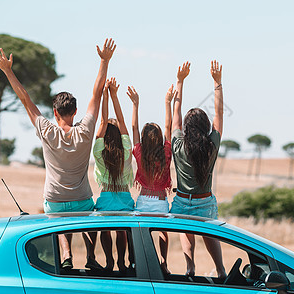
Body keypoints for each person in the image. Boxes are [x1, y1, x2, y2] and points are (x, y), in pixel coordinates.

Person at [0, 39, 116, 271]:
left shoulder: (46, 130)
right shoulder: (85, 130)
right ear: (75, 111)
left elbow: (25, 98)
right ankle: (90, 256)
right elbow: (97, 93)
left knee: (59, 221)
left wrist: (8, 71)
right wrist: (104, 61)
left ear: (55, 112)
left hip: (55, 201)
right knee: (89, 216)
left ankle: (66, 254)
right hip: (82, 200)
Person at [170, 60, 226, 279]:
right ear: (205, 126)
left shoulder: (177, 143)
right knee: (210, 234)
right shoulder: (211, 144)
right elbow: (219, 114)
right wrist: (217, 83)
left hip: (182, 200)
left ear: (186, 126)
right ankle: (220, 270)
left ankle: (190, 267)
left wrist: (179, 81)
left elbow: (176, 109)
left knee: (186, 231)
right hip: (205, 200)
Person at [127, 84, 177, 274]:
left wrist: (135, 105)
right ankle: (163, 263)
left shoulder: (139, 152)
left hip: (143, 201)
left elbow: (134, 127)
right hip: (161, 202)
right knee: (163, 233)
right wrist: (167, 102)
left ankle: (144, 266)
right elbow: (168, 127)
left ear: (144, 139)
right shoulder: (166, 153)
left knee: (141, 236)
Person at [93, 77, 134, 273]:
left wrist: (105, 96)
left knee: (105, 229)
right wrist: (115, 95)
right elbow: (123, 121)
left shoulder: (98, 152)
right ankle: (122, 263)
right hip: (124, 197)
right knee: (122, 230)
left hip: (106, 196)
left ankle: (109, 261)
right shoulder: (126, 149)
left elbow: (103, 121)